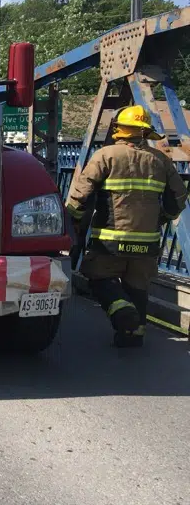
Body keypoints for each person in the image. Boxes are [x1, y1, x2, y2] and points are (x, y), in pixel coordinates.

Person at [66, 105, 187, 347]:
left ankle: (121, 312)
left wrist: (73, 222)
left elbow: (81, 194)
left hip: (110, 239)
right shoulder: (161, 160)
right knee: (138, 286)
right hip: (148, 241)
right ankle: (134, 335)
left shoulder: (106, 155)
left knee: (99, 278)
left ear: (119, 129)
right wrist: (160, 218)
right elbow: (179, 198)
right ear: (144, 132)